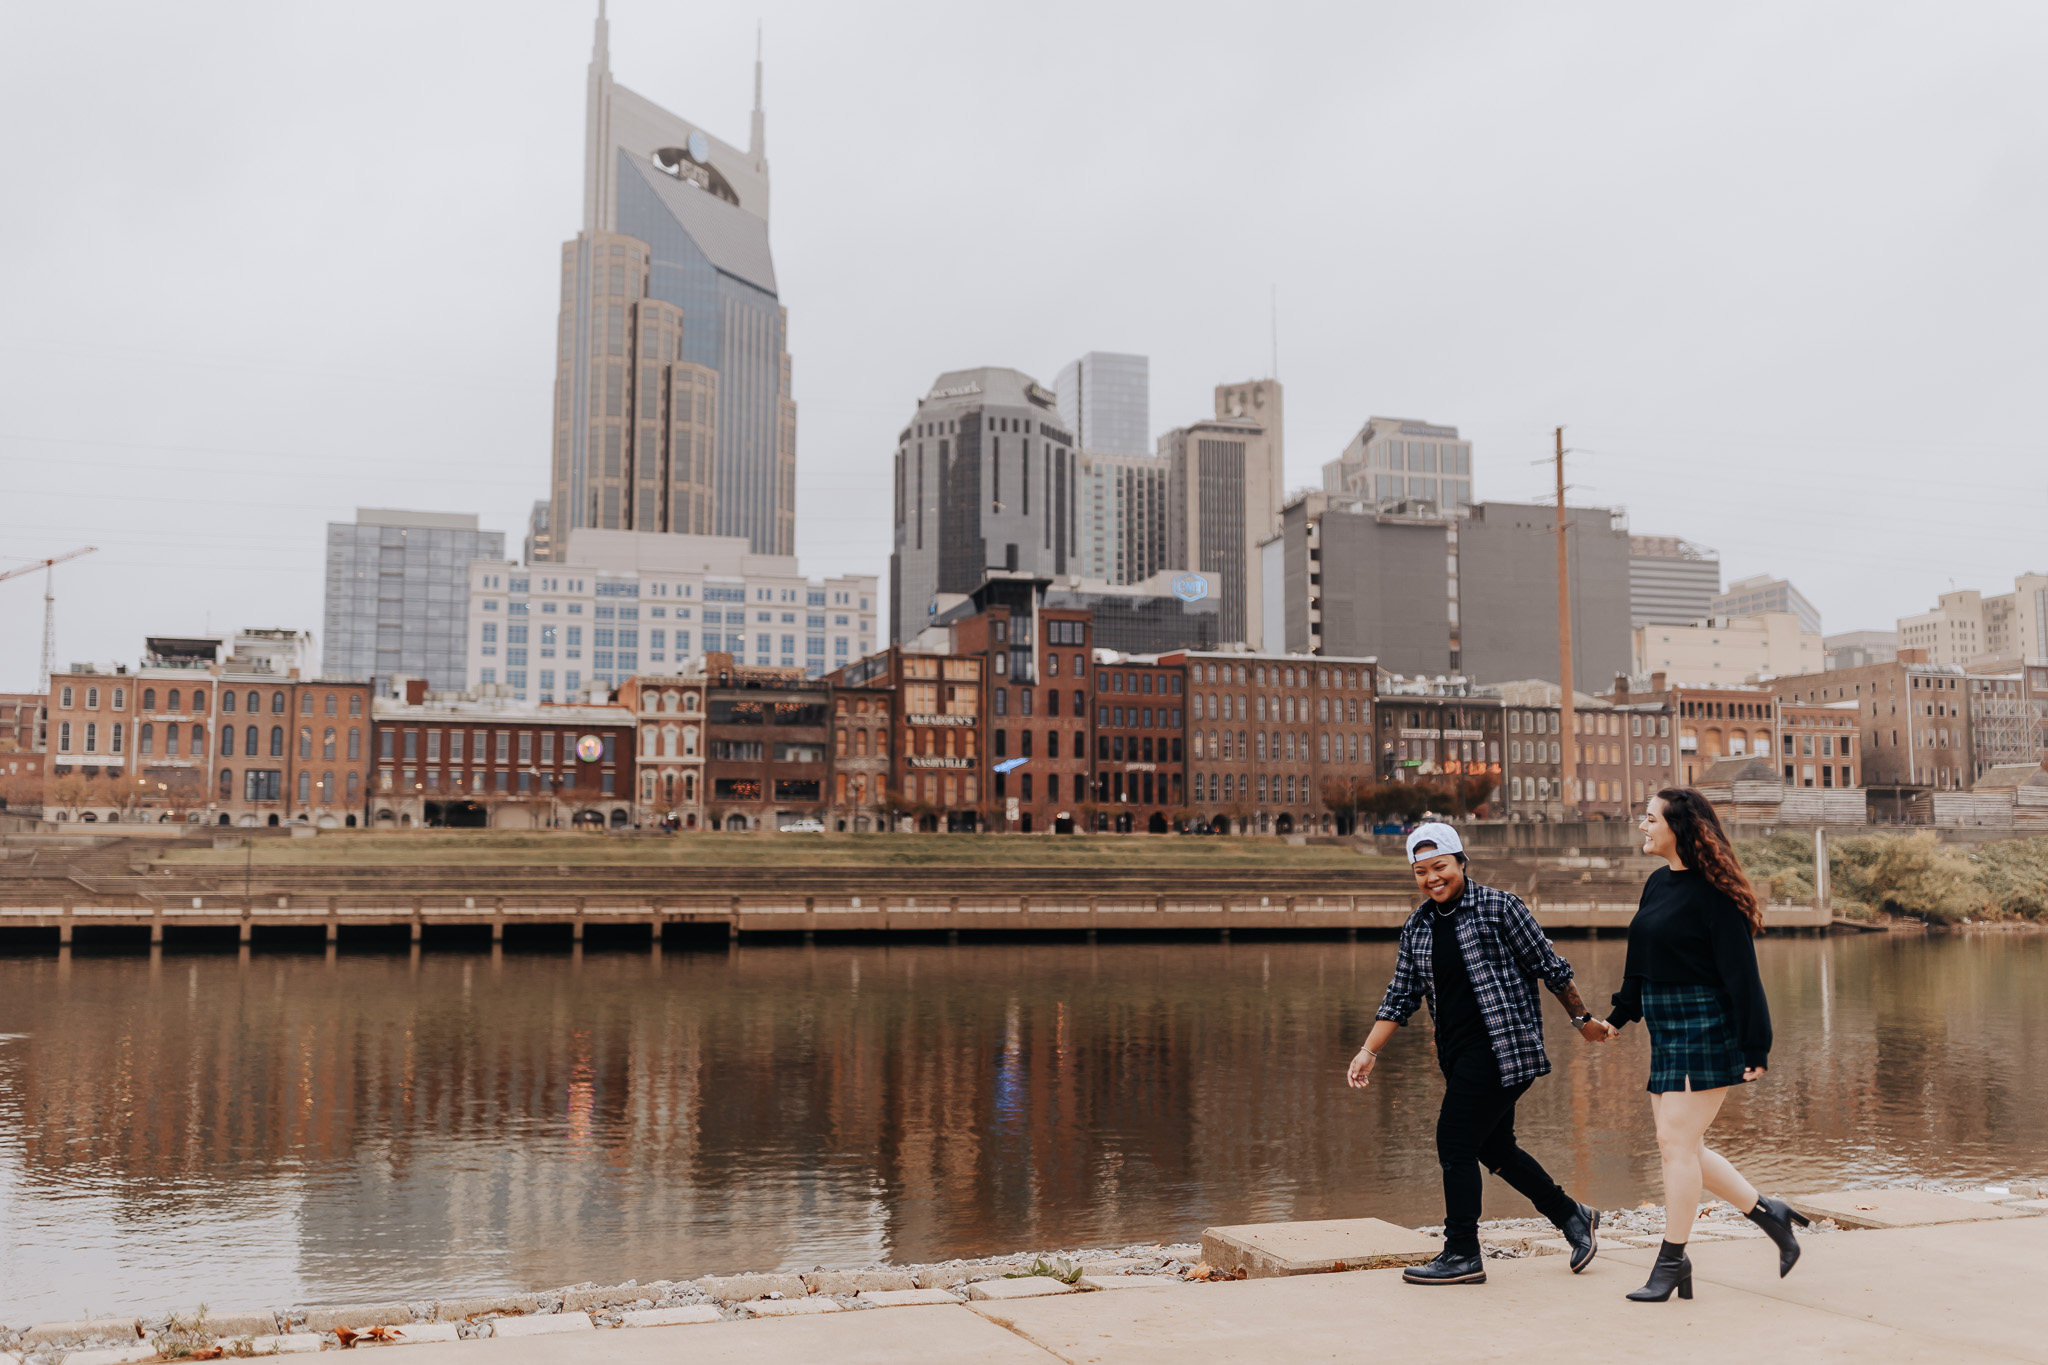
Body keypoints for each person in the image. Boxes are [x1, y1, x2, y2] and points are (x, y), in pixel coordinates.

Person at [1347, 822, 1609, 1286]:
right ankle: (1572, 1216)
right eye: (1421, 871)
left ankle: (1463, 1252)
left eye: (1440, 867)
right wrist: (1369, 1050)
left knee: (1454, 1143)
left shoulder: (1500, 908)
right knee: (1494, 1147)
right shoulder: (1419, 924)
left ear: (1461, 862)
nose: (1432, 878)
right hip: (1458, 1055)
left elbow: (1551, 967)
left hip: (1506, 1048)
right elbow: (1400, 995)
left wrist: (1582, 1021)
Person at [1602, 788, 1809, 1303]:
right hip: (1666, 1024)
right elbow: (1640, 962)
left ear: (1678, 827)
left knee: (1676, 1146)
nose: (1642, 826)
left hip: (1706, 1023)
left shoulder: (1716, 894)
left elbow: (1742, 977)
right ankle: (1769, 1212)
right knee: (1683, 1146)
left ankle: (1672, 1260)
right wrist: (1619, 1017)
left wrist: (1755, 1046)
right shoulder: (1656, 884)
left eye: (1649, 819)